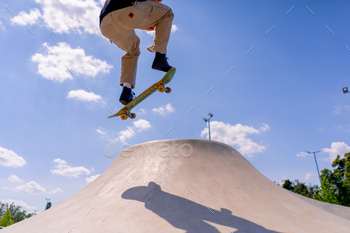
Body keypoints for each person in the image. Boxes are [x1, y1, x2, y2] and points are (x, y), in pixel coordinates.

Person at [99, 0, 174, 105]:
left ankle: (126, 91)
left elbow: (141, 21)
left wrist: (153, 21)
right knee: (167, 13)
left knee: (133, 50)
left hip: (105, 25)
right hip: (125, 10)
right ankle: (160, 57)